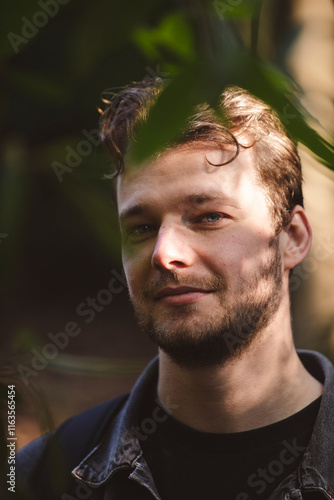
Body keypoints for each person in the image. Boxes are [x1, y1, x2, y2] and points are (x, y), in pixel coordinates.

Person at [17, 78, 334, 500]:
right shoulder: (39, 479)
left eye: (208, 218)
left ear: (291, 238)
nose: (165, 254)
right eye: (142, 228)